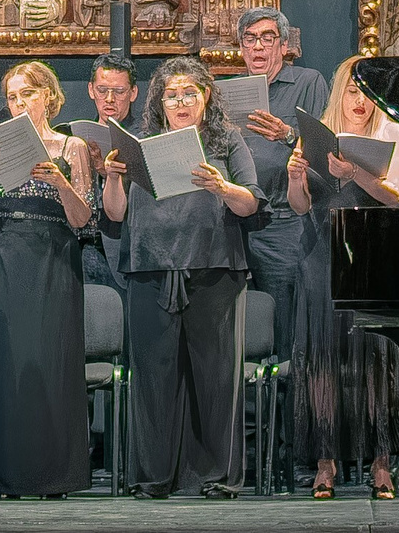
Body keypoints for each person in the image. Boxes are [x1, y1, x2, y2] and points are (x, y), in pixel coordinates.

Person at [101, 56, 262, 499]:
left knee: (215, 377)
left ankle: (217, 477)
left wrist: (221, 187)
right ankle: (153, 477)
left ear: (206, 96)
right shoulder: (140, 143)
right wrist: (113, 178)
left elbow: (250, 203)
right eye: (171, 95)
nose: (181, 101)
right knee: (153, 377)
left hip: (213, 268)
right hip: (150, 267)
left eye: (190, 92)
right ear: (159, 101)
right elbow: (115, 214)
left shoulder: (226, 140)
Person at [285, 57, 399, 499]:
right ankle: (326, 463)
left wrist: (355, 171)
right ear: (340, 91)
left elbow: (394, 198)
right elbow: (300, 206)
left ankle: (381, 465)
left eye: (368, 93)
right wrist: (295, 177)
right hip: (322, 253)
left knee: (376, 359)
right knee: (323, 358)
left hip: (374, 256)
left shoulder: (391, 133)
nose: (360, 102)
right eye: (353, 91)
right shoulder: (316, 134)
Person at [0, 62, 94, 498]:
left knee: (48, 364)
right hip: (2, 253)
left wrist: (59, 182)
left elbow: (82, 218)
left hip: (53, 256)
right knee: (6, 364)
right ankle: (3, 475)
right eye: (13, 96)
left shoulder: (70, 146)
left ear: (49, 98)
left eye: (27, 94)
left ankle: (52, 474)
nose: (19, 103)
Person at [229, 7, 334, 489]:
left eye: (267, 37)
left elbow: (328, 151)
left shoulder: (308, 81)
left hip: (286, 223)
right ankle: (245, 452)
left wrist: (288, 133)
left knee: (289, 336)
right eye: (249, 38)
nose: (257, 46)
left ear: (284, 43)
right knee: (236, 336)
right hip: (233, 222)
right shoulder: (228, 90)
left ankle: (293, 451)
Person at [78, 56, 142, 292]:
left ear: (133, 92)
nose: (109, 99)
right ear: (90, 90)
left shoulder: (143, 137)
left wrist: (108, 175)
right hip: (83, 248)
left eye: (119, 91)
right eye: (102, 90)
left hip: (125, 248)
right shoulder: (77, 135)